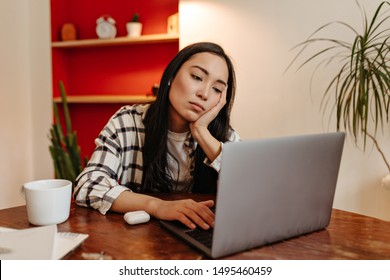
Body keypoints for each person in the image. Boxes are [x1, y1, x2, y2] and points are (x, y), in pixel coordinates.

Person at [74, 42, 240, 230]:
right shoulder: (128, 121)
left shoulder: (222, 135)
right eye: (197, 77)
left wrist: (202, 132)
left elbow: (253, 192)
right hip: (140, 241)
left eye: (217, 89)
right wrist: (157, 206)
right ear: (171, 76)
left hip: (203, 234)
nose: (204, 93)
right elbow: (88, 184)